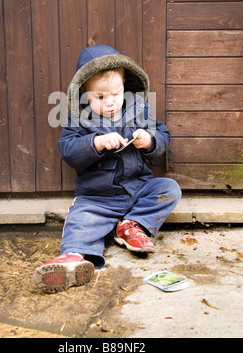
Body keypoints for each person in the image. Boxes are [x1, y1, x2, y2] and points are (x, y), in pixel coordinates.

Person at [33, 44, 181, 293]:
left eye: (116, 93)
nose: (110, 102)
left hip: (138, 189)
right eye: (100, 97)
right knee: (80, 219)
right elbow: (68, 150)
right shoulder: (77, 119)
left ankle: (133, 225)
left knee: (169, 189)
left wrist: (150, 140)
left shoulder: (139, 109)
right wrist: (96, 143)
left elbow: (163, 135)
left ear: (125, 85)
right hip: (97, 197)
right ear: (83, 94)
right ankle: (73, 260)